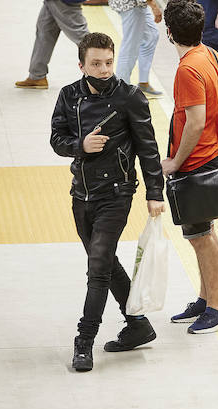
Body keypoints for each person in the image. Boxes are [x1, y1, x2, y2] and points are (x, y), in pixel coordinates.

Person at [49, 31, 166, 371]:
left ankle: (84, 341)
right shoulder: (69, 96)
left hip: (117, 193)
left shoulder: (130, 97)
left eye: (109, 63)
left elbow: (148, 148)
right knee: (106, 262)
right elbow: (56, 138)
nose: (103, 69)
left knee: (97, 269)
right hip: (81, 194)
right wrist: (79, 146)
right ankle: (138, 325)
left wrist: (154, 192)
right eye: (96, 64)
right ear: (82, 65)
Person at [162, 0, 218, 333]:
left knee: (202, 237)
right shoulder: (211, 55)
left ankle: (217, 309)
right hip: (211, 156)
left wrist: (176, 160)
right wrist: (211, 131)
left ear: (169, 32)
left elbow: (194, 122)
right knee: (200, 233)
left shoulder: (187, 69)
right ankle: (206, 299)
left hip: (195, 162)